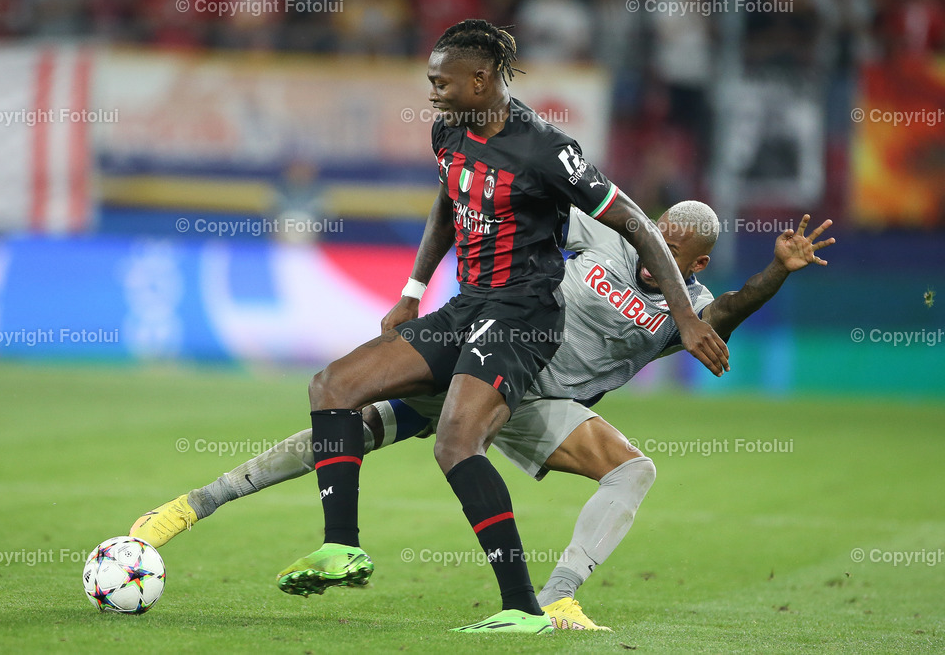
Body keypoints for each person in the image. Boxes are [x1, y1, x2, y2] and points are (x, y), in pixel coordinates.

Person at [134, 18, 728, 635]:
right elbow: (449, 203)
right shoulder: (450, 131)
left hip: (522, 318)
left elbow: (635, 219)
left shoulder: (547, 150)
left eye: (442, 81)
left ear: (482, 79)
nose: (433, 92)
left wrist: (686, 319)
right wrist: (413, 291)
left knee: (455, 442)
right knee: (335, 388)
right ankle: (341, 545)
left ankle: (528, 607)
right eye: (430, 80)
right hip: (468, 309)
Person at [133, 204, 831, 630]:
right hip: (489, 360)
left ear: (696, 260)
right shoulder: (609, 234)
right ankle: (192, 505)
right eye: (654, 235)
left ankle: (558, 599)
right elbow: (544, 206)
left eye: (671, 250)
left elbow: (728, 312)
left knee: (632, 471)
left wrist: (777, 273)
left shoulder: (690, 305)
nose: (655, 253)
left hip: (542, 404)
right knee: (351, 419)